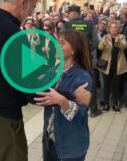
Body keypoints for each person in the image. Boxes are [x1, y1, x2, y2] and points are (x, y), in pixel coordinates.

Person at [0, 0, 90, 161]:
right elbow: (32, 88)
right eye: (33, 6)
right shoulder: (13, 35)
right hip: (0, 121)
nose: (33, 12)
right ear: (23, 2)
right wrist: (70, 96)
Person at [35, 30, 93, 161]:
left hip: (70, 146)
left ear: (74, 50)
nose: (56, 45)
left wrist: (63, 101)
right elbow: (39, 95)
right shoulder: (53, 71)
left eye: (62, 43)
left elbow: (81, 114)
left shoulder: (82, 77)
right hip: (50, 141)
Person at [97, 20, 127, 112]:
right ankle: (106, 104)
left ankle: (115, 104)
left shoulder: (122, 37)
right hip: (106, 66)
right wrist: (104, 43)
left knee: (116, 86)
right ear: (109, 28)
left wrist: (118, 43)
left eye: (115, 27)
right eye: (111, 27)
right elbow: (100, 47)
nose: (113, 29)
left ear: (118, 29)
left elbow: (125, 47)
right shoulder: (106, 36)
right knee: (106, 86)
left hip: (117, 66)